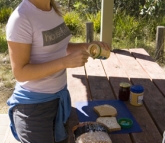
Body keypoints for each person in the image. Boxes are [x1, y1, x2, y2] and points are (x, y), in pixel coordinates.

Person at [6, 0, 110, 143]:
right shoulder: (21, 18)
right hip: (34, 109)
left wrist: (88, 46)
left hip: (58, 101)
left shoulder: (52, 9)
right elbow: (20, 73)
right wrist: (64, 62)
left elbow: (61, 47)